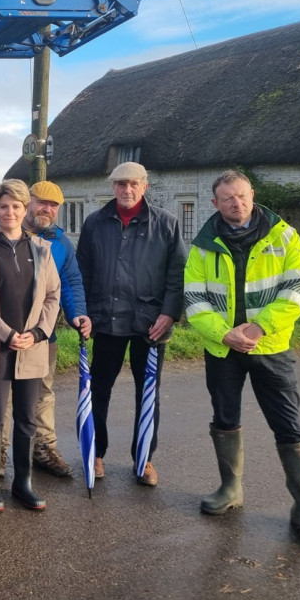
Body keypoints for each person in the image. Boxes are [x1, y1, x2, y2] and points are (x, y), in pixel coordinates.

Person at [184, 170, 300, 546]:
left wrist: (259, 327)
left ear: (253, 195)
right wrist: (224, 333)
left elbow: (297, 288)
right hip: (222, 349)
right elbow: (194, 299)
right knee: (225, 419)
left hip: (271, 347)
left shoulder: (284, 235)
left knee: (289, 426)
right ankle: (230, 490)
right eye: (228, 198)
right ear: (215, 203)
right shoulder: (202, 245)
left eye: (243, 195)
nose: (237, 203)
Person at [0, 180, 91, 478]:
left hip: (39, 338)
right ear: (28, 204)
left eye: (53, 205)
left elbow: (68, 284)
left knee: (43, 394)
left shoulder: (58, 244)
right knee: (2, 402)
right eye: (41, 202)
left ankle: (43, 450)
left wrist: (78, 315)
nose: (46, 209)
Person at [76, 162, 186, 487]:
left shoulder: (166, 224)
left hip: (150, 325)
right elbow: (82, 272)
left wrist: (169, 313)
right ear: (113, 187)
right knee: (98, 390)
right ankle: (96, 452)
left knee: (148, 393)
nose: (127, 190)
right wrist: (84, 313)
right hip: (105, 322)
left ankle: (144, 458)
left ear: (144, 186)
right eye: (120, 184)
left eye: (133, 184)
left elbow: (177, 274)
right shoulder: (95, 223)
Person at [0, 179, 61, 512]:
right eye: (3, 206)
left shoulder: (41, 250)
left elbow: (52, 295)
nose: (9, 212)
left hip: (31, 347)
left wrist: (38, 333)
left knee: (27, 418)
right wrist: (5, 333)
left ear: (25, 210)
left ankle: (23, 484)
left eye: (16, 206)